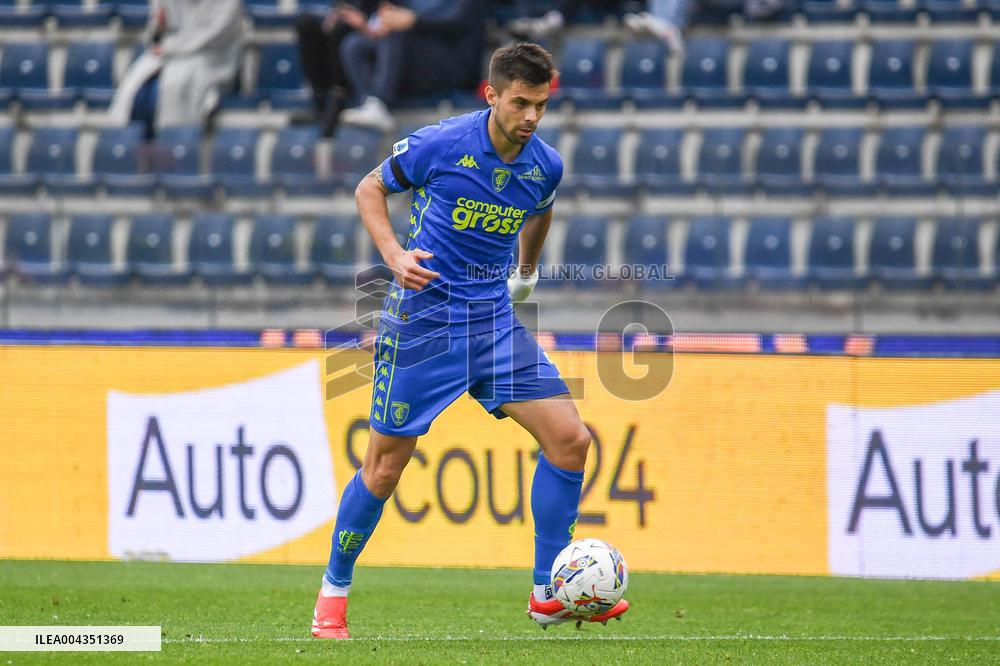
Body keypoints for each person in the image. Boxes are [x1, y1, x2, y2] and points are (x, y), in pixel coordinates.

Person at [311, 42, 631, 639]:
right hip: (425, 323)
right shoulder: (442, 143)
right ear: (493, 95)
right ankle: (333, 589)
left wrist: (526, 275)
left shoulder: (545, 165)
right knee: (383, 469)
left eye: (540, 105)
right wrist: (394, 255)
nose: (531, 117)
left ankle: (547, 592)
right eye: (520, 103)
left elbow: (542, 208)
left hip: (492, 320)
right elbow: (368, 190)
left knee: (570, 440)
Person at [337, 0, 485, 132]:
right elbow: (393, 12)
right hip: (416, 57)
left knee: (396, 34)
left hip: (453, 64)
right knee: (355, 44)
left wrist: (414, 20)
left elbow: (455, 21)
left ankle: (380, 102)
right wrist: (378, 22)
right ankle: (369, 102)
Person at [107, 0, 246, 135]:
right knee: (133, 84)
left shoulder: (229, 3)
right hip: (171, 55)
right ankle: (127, 140)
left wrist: (170, 47)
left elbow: (214, 37)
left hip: (212, 59)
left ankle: (173, 140)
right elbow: (153, 37)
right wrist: (159, 26)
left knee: (175, 83)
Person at [293, 1, 379, 136]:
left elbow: (392, 17)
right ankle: (319, 98)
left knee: (341, 30)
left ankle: (338, 96)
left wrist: (363, 23)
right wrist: (336, 15)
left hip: (367, 41)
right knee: (306, 25)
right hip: (339, 37)